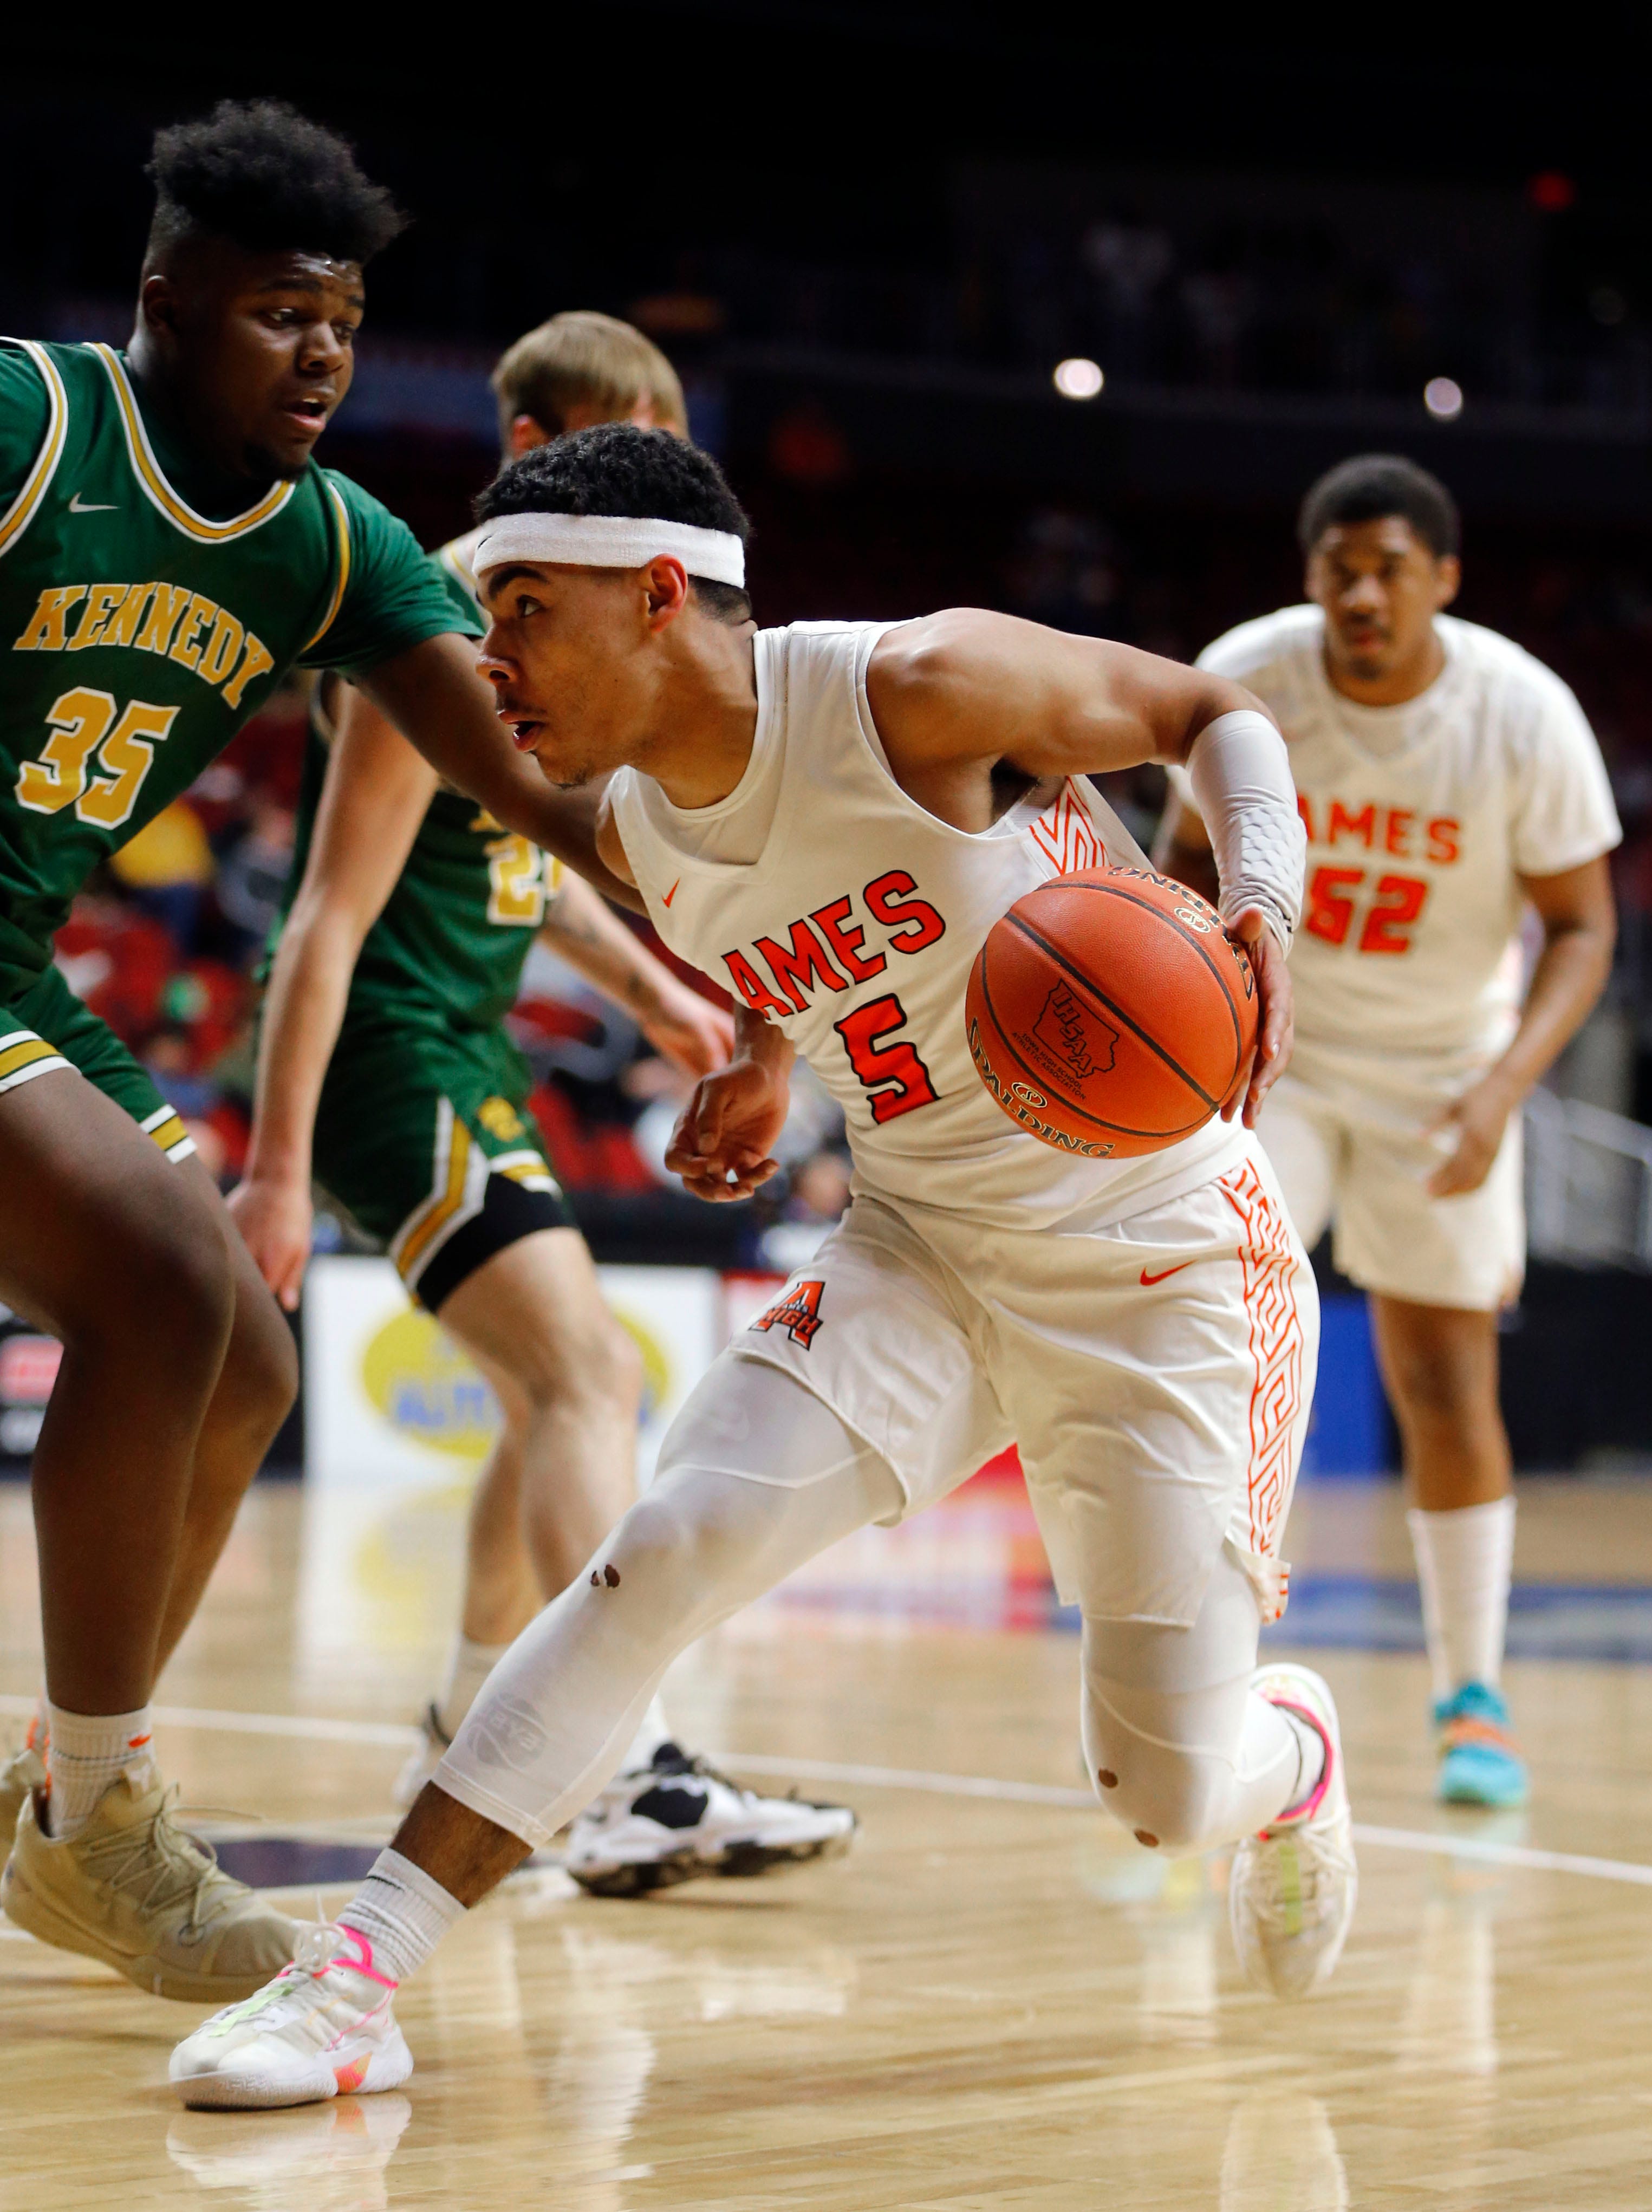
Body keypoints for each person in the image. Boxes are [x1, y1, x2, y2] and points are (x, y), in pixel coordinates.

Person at [172, 422, 1355, 2111]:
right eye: (483, 616)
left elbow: (1211, 712)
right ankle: (353, 1980)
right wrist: (768, 1052)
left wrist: (1259, 907)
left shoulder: (915, 689)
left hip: (1159, 1257)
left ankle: (1287, 1752)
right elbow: (813, 921)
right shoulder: (634, 831)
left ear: (660, 594)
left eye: (527, 608)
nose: (493, 652)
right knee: (661, 1548)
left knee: (1165, 1794)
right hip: (920, 1249)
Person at [0, 102, 629, 2003]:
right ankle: (97, 1818)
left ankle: (73, 1805)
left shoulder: (332, 543)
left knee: (248, 1360)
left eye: (347, 322)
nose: (325, 356)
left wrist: (775, 911)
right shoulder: (33, 422)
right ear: (166, 300)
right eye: (284, 313)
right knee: (161, 1282)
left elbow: (534, 781)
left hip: (18, 959)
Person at [232, 313, 856, 1891]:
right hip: (391, 1053)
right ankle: (625, 1768)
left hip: (462, 1047)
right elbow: (329, 915)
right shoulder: (439, 628)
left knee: (551, 1394)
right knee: (585, 1374)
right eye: (632, 432)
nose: (663, 474)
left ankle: (469, 1723)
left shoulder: (558, 649)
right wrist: (278, 1168)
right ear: (532, 448)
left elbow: (514, 857)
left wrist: (651, 989)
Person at [1155, 455, 1620, 1807]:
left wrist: (1502, 1087)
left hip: (1444, 1070)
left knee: (1442, 1380)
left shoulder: (1520, 710)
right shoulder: (1247, 675)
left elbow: (1582, 925)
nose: (1362, 594)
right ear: (1309, 577)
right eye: (1339, 569)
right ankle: (1193, 1679)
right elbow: (1176, 866)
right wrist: (1198, 1020)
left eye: (1390, 570)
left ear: (1443, 580)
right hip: (1279, 1055)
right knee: (1212, 1348)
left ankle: (1472, 1695)